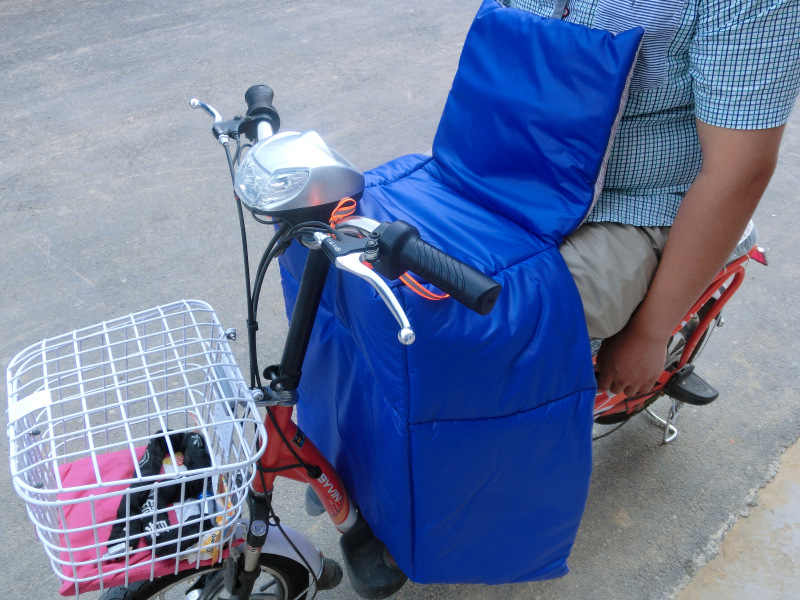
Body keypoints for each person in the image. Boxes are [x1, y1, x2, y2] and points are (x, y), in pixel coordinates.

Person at [504, 0, 800, 397]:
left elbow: (737, 173)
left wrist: (649, 332)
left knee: (504, 317)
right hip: (502, 167)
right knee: (399, 266)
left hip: (632, 204)